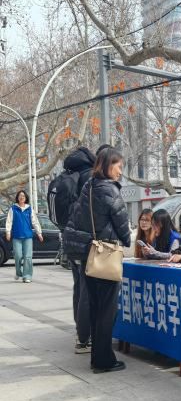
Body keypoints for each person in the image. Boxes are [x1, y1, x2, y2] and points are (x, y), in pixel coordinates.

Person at [63, 146, 131, 373]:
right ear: (108, 165)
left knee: (94, 307)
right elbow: (122, 224)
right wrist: (126, 240)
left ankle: (96, 358)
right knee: (107, 310)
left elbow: (77, 218)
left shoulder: (88, 187)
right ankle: (104, 360)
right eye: (119, 166)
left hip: (88, 255)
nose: (120, 171)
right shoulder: (110, 189)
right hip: (105, 256)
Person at [63, 146, 97, 354]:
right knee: (87, 290)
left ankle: (80, 331)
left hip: (70, 239)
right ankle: (84, 338)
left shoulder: (70, 175)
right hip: (85, 242)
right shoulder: (89, 177)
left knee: (79, 288)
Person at [5, 190, 44, 283]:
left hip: (27, 237)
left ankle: (27, 276)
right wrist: (8, 232)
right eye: (20, 196)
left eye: (23, 196)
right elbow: (9, 221)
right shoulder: (13, 209)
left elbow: (35, 222)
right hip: (16, 236)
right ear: (17, 198)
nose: (21, 197)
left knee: (28, 257)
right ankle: (18, 272)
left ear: (26, 198)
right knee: (18, 256)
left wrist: (39, 233)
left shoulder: (29, 209)